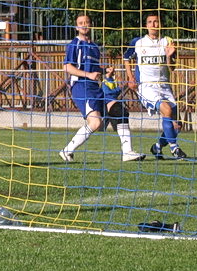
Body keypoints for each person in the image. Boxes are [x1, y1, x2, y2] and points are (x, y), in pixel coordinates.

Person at [58, 14, 144, 163]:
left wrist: (105, 71)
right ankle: (67, 151)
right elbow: (67, 67)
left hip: (95, 88)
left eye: (87, 22)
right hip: (81, 87)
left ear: (91, 25)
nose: (84, 25)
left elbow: (94, 70)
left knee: (119, 111)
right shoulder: (75, 44)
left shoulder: (94, 47)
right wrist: (88, 75)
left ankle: (128, 152)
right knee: (96, 123)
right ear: (76, 27)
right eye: (81, 23)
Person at [124, 12, 187, 160]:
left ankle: (157, 147)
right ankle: (175, 148)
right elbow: (126, 58)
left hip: (165, 87)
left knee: (177, 125)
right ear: (146, 26)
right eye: (150, 22)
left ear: (161, 24)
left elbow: (172, 68)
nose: (153, 24)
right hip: (147, 87)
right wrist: (130, 77)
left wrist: (169, 55)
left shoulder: (167, 41)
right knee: (166, 109)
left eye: (156, 21)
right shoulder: (138, 42)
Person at [101, 65, 143, 159]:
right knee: (122, 116)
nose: (113, 70)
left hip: (115, 103)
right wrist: (119, 88)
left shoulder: (113, 81)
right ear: (107, 71)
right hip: (110, 105)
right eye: (110, 68)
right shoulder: (105, 82)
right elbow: (107, 93)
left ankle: (127, 150)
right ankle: (127, 151)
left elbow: (116, 92)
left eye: (113, 68)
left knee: (124, 115)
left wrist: (122, 87)